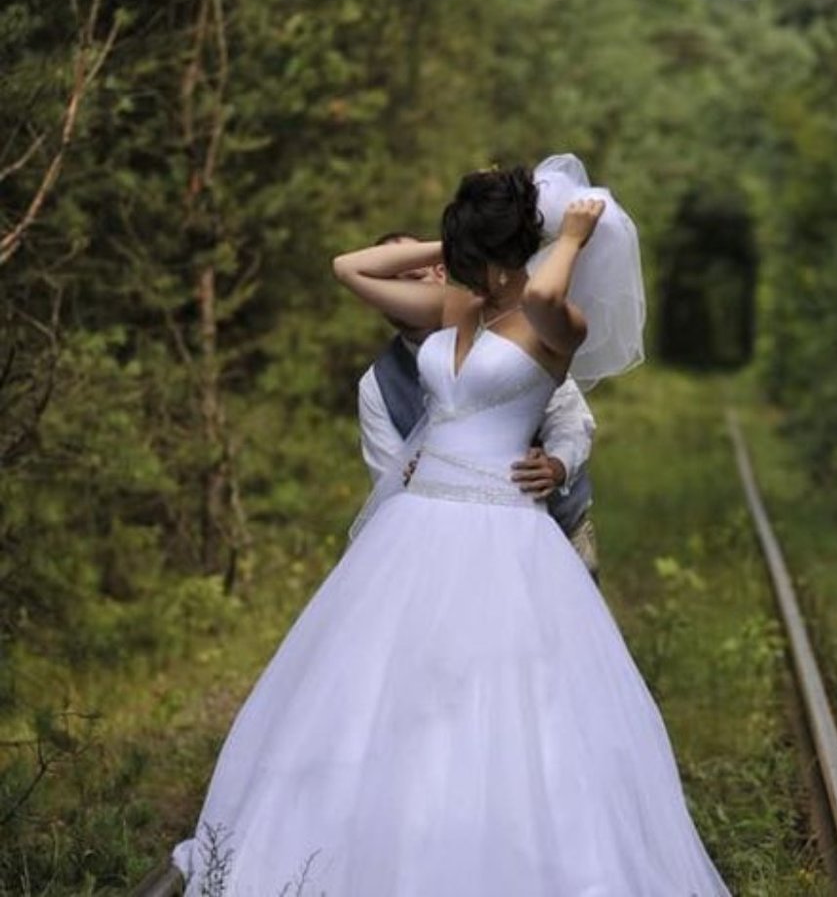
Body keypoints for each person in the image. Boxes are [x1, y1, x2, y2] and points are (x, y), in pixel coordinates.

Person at [172, 160, 729, 896]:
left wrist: (571, 234)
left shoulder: (554, 323)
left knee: (493, 698)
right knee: (391, 693)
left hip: (504, 534)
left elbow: (550, 288)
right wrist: (442, 251)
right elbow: (350, 268)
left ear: (508, 261)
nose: (458, 273)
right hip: (413, 530)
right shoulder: (460, 310)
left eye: (474, 260)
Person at [358, 232, 600, 579]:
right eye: (389, 285)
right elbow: (386, 476)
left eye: (412, 278)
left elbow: (569, 418)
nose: (401, 293)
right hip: (446, 548)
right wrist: (416, 478)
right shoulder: (378, 384)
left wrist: (557, 465)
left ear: (440, 273)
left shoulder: (509, 327)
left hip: (554, 528)